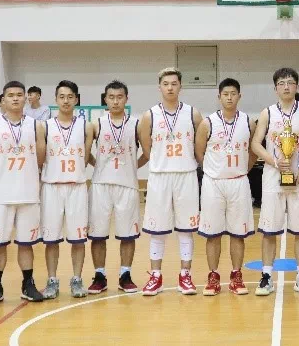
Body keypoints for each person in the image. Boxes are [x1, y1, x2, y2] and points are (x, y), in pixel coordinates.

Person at [252, 68, 299, 296]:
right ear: (275, 88)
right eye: (281, 83)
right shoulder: (267, 113)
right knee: (269, 230)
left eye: (290, 82)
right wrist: (274, 161)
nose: (286, 86)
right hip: (273, 177)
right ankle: (266, 276)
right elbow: (255, 144)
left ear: (297, 86)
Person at [0, 81, 45, 305]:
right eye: (10, 95)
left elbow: (41, 157)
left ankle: (28, 284)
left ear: (25, 98)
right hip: (1, 194)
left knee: (26, 243)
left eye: (19, 95)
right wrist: (0, 174)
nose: (15, 98)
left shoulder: (36, 125)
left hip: (28, 193)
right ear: (3, 100)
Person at [140, 68, 203, 296]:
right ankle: (155, 276)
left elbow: (200, 146)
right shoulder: (149, 116)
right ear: (159, 87)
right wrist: (161, 163)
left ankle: (185, 275)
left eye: (174, 83)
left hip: (186, 174)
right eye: (165, 84)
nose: (170, 88)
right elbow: (147, 149)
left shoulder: (193, 114)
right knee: (157, 229)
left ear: (180, 86)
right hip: (160, 176)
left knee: (186, 229)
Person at [196, 78, 256, 296]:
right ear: (219, 97)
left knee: (238, 233)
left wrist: (244, 170)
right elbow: (199, 152)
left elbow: (253, 151)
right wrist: (213, 171)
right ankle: (213, 276)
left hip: (239, 181)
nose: (229, 97)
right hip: (213, 183)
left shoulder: (248, 122)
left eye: (233, 94)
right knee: (212, 234)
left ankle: (236, 275)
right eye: (225, 94)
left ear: (239, 96)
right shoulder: (208, 123)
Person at [87, 80, 144, 294]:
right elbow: (85, 151)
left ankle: (125, 275)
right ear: (105, 99)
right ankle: (99, 275)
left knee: (128, 234)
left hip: (127, 185)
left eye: (120, 97)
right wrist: (97, 164)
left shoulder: (137, 124)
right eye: (111, 97)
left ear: (126, 99)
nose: (116, 101)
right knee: (98, 234)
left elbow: (148, 152)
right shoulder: (96, 124)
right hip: (100, 185)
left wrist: (133, 166)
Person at [41, 80, 94, 299]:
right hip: (52, 187)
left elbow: (87, 156)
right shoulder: (44, 126)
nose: (66, 101)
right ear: (55, 99)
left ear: (76, 99)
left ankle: (77, 279)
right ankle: (52, 280)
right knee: (51, 239)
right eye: (61, 97)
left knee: (78, 239)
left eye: (70, 97)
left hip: (77, 187)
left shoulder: (86, 126)